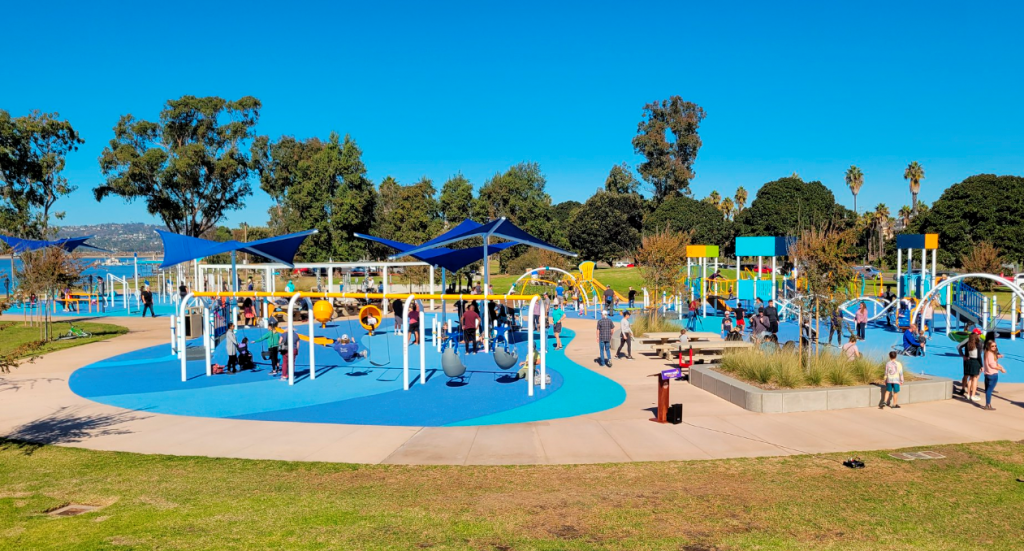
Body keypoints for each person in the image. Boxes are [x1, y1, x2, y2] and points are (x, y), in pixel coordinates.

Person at [957, 329, 983, 401]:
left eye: (980, 334)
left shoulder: (979, 342)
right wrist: (963, 356)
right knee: (968, 376)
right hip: (969, 360)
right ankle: (964, 389)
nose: (980, 335)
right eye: (978, 334)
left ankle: (970, 391)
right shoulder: (968, 340)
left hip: (969, 359)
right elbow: (958, 346)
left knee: (971, 377)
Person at [982, 339, 1007, 411]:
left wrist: (998, 358)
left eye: (995, 346)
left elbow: (992, 361)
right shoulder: (990, 354)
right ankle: (988, 405)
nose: (994, 347)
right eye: (992, 346)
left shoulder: (986, 353)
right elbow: (992, 365)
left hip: (987, 374)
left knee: (987, 390)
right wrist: (1001, 369)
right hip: (992, 374)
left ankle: (987, 404)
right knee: (989, 390)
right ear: (988, 346)